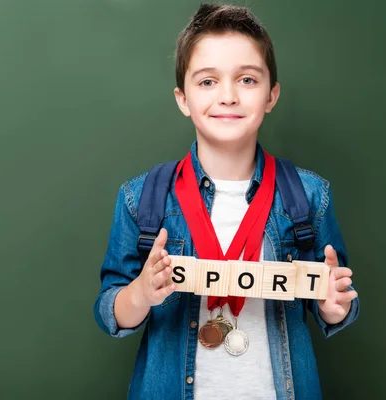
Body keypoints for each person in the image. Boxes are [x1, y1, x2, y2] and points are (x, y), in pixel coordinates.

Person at [94, 3, 359, 399]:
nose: (229, 96)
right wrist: (140, 294)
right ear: (182, 99)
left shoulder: (309, 196)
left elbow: (337, 302)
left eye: (248, 79)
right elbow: (109, 310)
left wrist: (334, 307)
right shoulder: (141, 197)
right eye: (207, 82)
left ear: (272, 95)